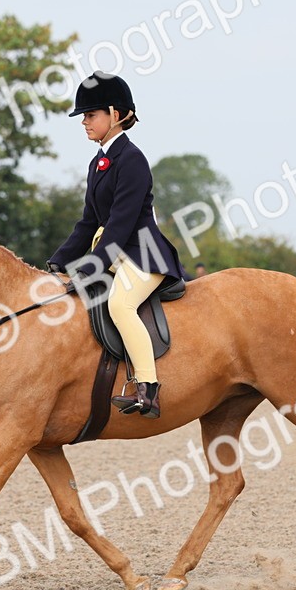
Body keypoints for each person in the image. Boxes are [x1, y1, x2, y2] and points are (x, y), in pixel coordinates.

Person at [46, 71, 187, 419]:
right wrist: (57, 262)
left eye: (91, 115)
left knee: (120, 305)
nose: (84, 122)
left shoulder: (132, 159)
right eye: (83, 117)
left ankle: (147, 389)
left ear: (115, 113)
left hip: (143, 253)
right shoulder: (98, 163)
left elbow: (121, 225)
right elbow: (88, 223)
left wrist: (90, 268)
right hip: (116, 255)